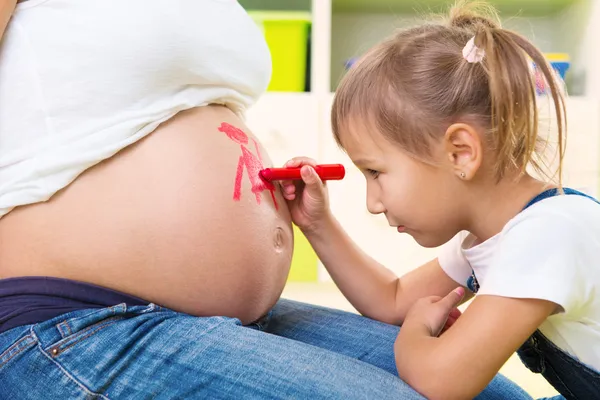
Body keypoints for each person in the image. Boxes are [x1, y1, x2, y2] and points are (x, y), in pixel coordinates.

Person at [0, 0, 533, 398]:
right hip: (78, 320)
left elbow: (394, 299)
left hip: (231, 316)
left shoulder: (541, 231)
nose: (373, 200)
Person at [282, 1, 600, 399]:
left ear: (461, 152)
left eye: (376, 172)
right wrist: (317, 223)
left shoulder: (548, 234)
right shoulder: (490, 237)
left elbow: (442, 382)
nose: (373, 203)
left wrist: (415, 331)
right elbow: (393, 299)